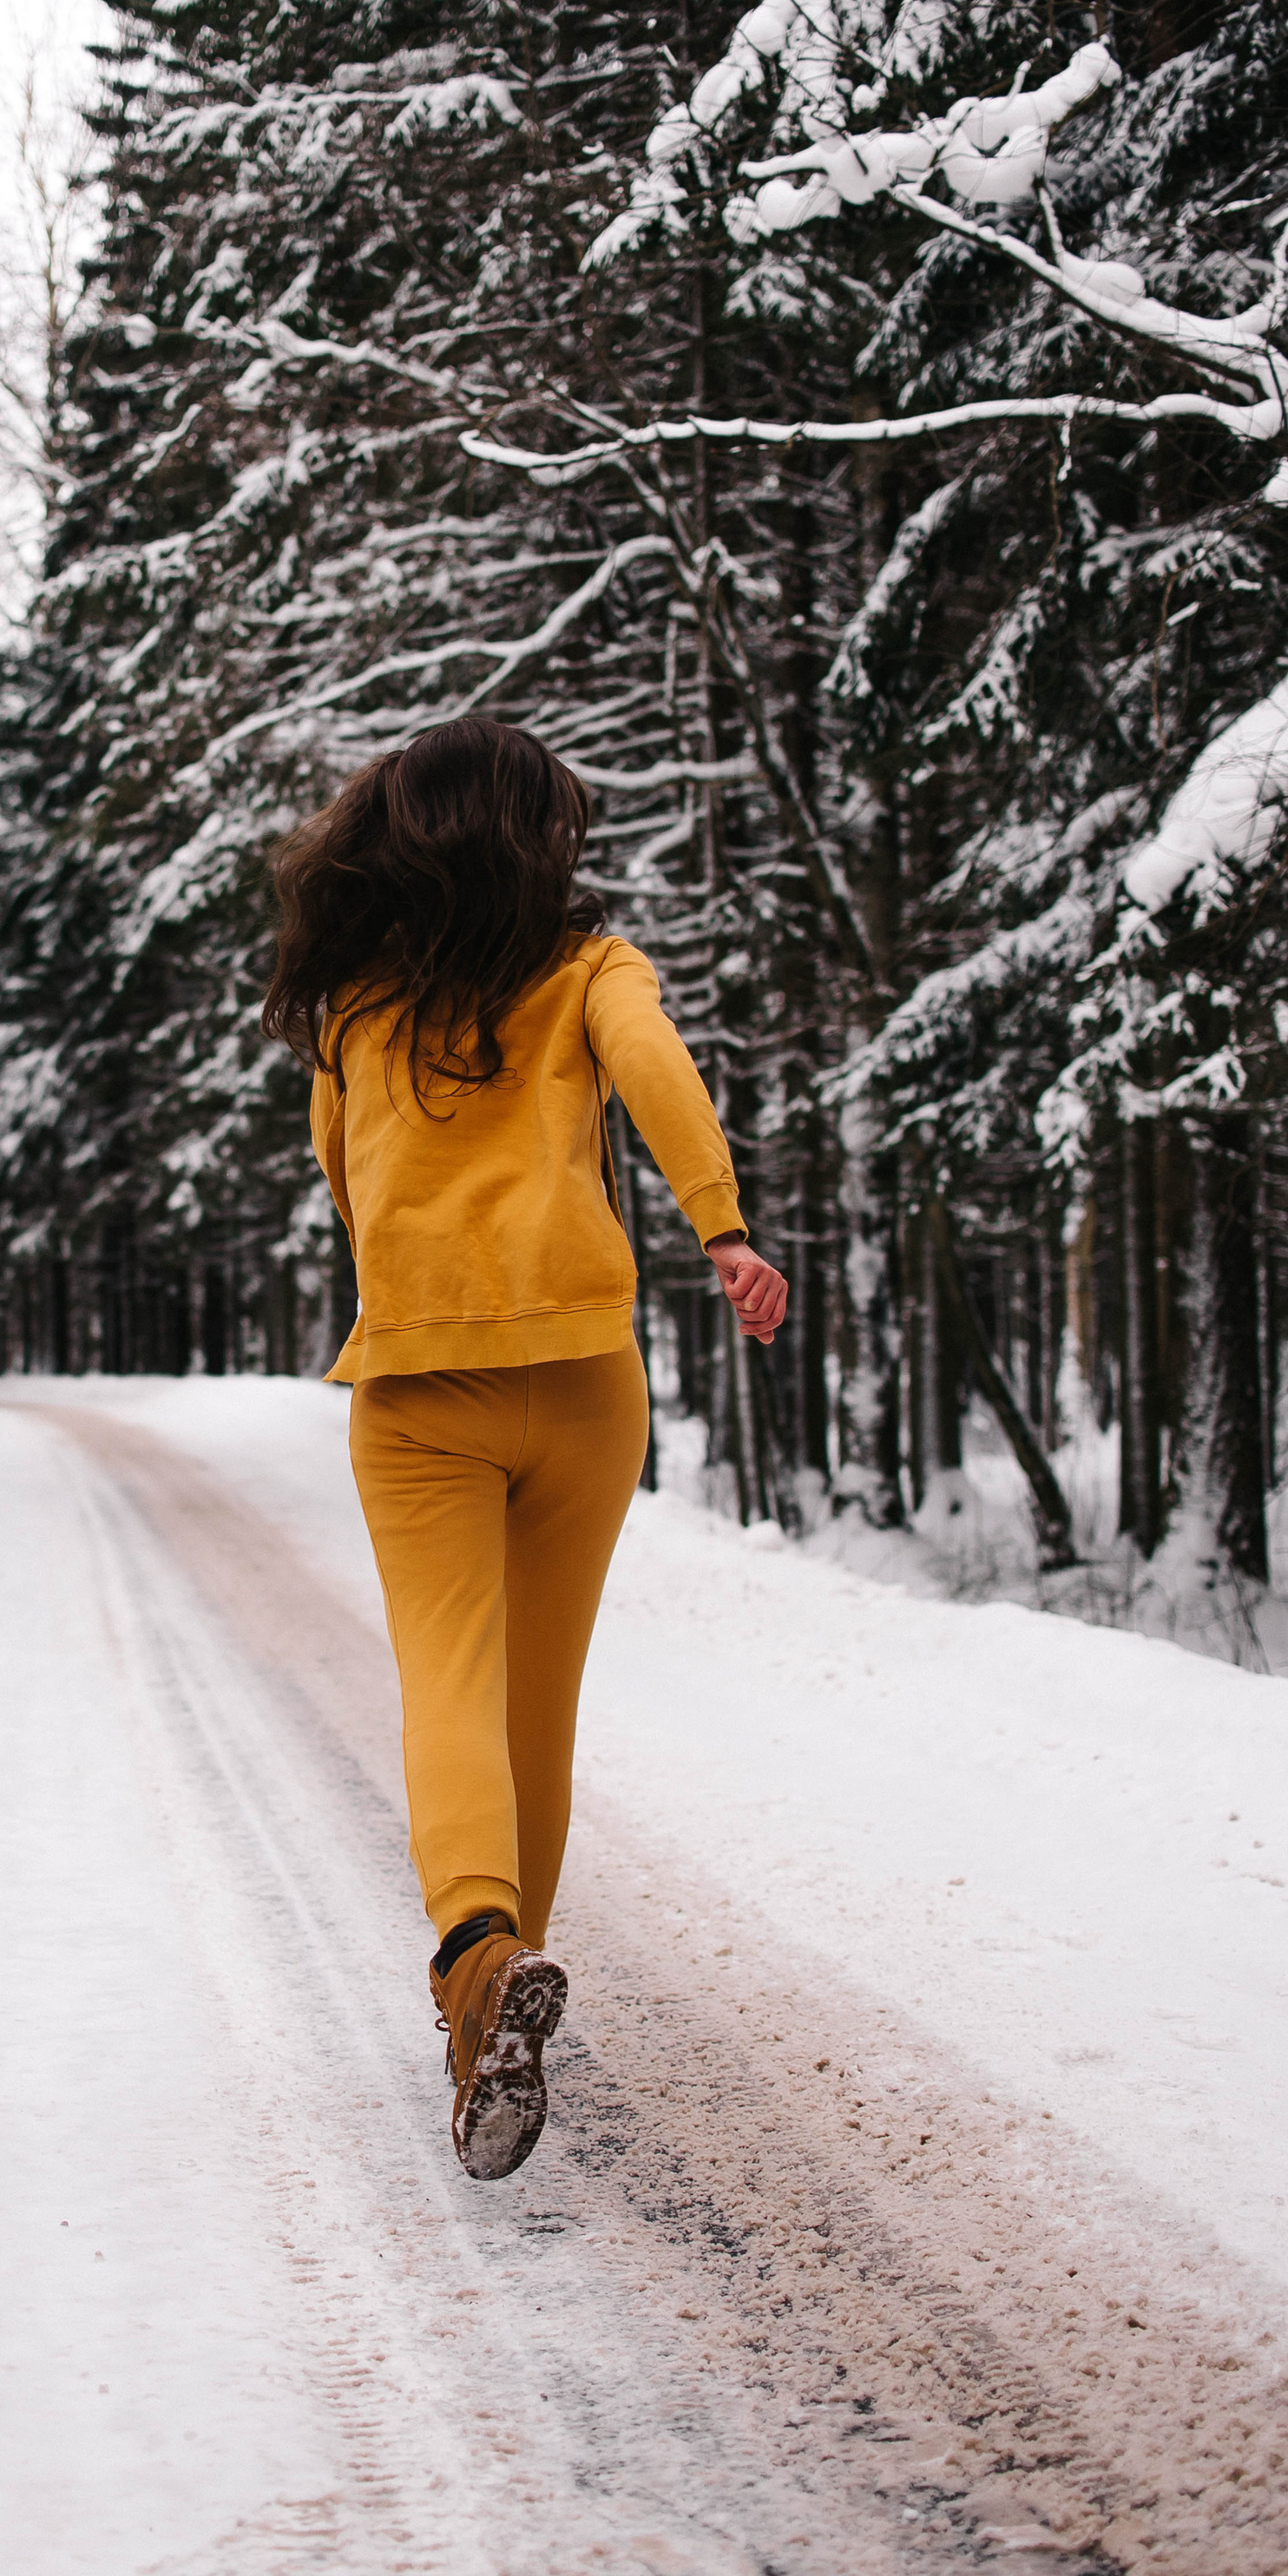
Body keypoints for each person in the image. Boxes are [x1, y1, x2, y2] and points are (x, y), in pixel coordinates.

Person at [262, 715, 787, 2182]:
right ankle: (495, 2001)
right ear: (526, 840)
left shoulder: (355, 1011)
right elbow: (657, 1069)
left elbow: (346, 1185)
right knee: (536, 1706)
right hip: (584, 1382)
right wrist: (723, 1230)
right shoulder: (592, 969)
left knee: (451, 1678)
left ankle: (479, 1960)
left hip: (420, 1387)